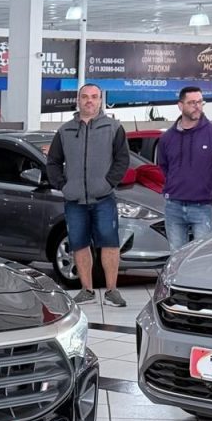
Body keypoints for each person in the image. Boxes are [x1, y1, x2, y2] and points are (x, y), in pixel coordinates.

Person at [46, 83, 130, 307]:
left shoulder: (113, 127)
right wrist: (64, 186)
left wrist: (108, 183)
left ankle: (112, 291)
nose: (89, 101)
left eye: (94, 97)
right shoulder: (65, 131)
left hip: (104, 198)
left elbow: (122, 160)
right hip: (74, 200)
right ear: (78, 100)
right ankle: (87, 290)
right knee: (79, 244)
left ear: (100, 100)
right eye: (85, 97)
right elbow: (53, 162)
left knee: (110, 243)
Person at [157, 86, 212, 251]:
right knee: (176, 256)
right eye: (192, 102)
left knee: (200, 256)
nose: (197, 106)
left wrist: (207, 187)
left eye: (200, 102)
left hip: (202, 207)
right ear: (180, 105)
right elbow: (164, 166)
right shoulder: (167, 138)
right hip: (173, 206)